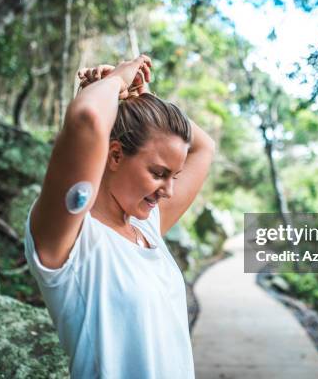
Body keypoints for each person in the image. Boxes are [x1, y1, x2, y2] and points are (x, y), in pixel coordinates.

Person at [23, 54, 215, 378]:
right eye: (158, 173)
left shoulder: (147, 226)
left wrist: (140, 100)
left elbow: (204, 147)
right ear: (114, 155)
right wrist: (115, 82)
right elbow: (87, 117)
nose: (168, 190)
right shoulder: (72, 238)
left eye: (175, 176)